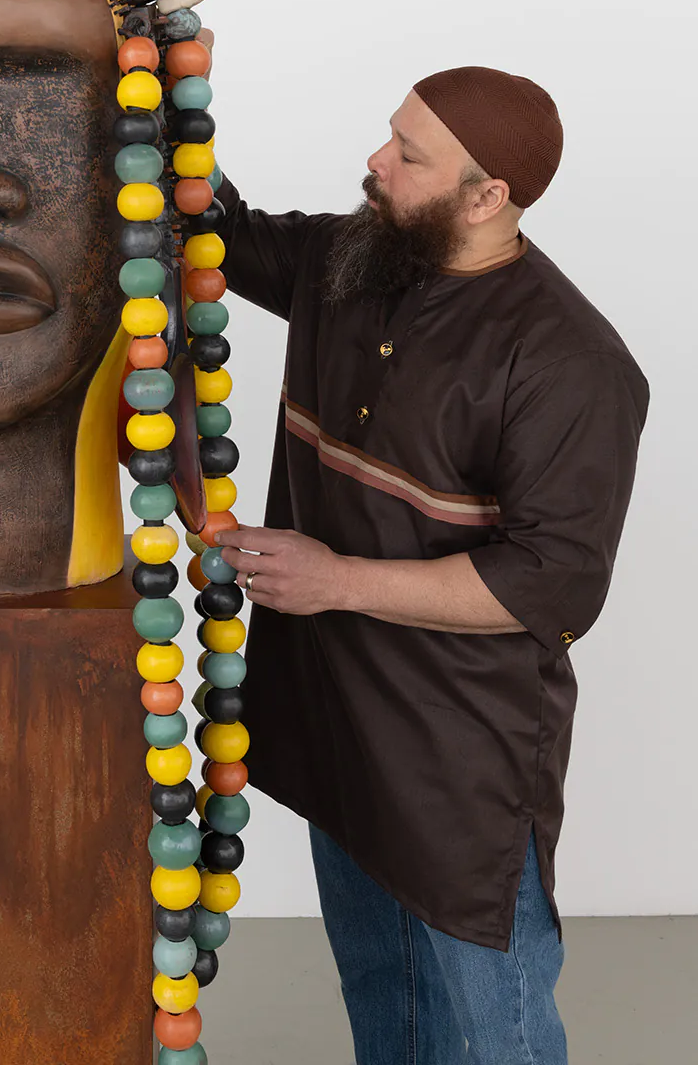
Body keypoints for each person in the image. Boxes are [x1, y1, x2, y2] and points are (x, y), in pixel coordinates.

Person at [213, 65, 649, 1064]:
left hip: (458, 755)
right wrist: (135, 94)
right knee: (386, 1003)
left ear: (487, 195)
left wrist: (333, 581)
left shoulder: (567, 362)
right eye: (389, 137)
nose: (375, 163)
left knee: (494, 1031)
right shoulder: (350, 260)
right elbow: (213, 231)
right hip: (334, 719)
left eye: (409, 157)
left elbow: (553, 582)